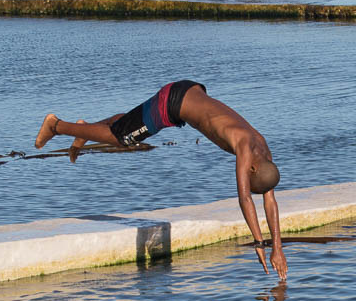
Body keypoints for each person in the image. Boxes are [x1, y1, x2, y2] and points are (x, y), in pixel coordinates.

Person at [34, 80, 287, 280]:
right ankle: (57, 125)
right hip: (172, 103)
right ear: (252, 168)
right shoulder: (245, 147)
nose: (247, 179)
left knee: (133, 125)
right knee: (123, 138)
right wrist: (258, 242)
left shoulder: (263, 150)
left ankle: (85, 128)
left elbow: (270, 200)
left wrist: (277, 247)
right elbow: (244, 197)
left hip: (189, 92)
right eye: (249, 178)